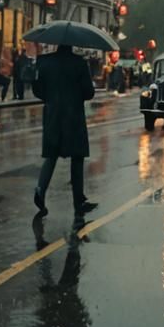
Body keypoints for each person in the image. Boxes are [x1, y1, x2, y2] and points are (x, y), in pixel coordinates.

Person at [33, 45, 99, 218]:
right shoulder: (79, 63)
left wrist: (50, 97)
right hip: (73, 115)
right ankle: (79, 200)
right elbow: (89, 92)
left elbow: (37, 90)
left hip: (53, 113)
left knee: (51, 155)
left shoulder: (45, 62)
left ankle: (40, 189)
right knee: (77, 157)